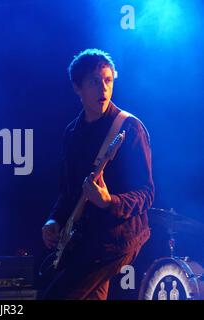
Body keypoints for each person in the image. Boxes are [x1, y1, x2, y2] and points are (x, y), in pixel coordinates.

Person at [41, 48, 154, 300]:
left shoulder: (128, 128)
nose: (103, 88)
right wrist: (54, 220)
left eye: (108, 80)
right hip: (85, 237)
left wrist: (108, 201)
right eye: (94, 81)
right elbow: (68, 191)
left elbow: (146, 194)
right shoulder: (72, 133)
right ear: (77, 87)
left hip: (119, 237)